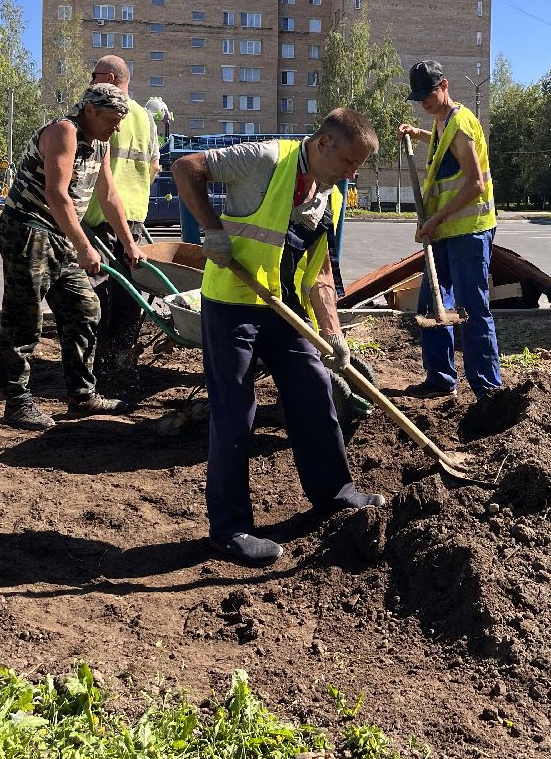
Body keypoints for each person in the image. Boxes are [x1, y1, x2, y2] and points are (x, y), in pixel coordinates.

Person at [173, 109, 386, 567]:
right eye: (349, 162)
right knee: (235, 413)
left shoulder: (331, 196)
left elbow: (321, 271)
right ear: (324, 143)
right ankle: (228, 529)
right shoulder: (266, 158)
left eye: (358, 168)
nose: (352, 174)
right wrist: (212, 229)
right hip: (233, 303)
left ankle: (334, 489)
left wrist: (333, 335)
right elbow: (186, 167)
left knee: (314, 391)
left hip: (285, 310)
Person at [0, 83, 142, 431]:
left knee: (85, 308)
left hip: (58, 234)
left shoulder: (100, 144)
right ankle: (16, 402)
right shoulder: (65, 131)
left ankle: (82, 394)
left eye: (121, 120)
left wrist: (128, 243)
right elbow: (56, 194)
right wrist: (84, 246)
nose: (117, 127)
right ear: (90, 110)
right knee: (24, 318)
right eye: (112, 118)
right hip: (28, 230)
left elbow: (109, 196)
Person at [397, 60, 503, 401]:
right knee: (431, 305)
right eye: (419, 97)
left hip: (468, 231)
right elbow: (446, 150)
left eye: (428, 94)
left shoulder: (461, 123)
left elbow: (473, 185)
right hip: (443, 232)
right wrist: (419, 134)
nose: (423, 102)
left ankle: (488, 389)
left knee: (473, 309)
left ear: (444, 86)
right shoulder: (443, 123)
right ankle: (441, 379)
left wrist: (434, 219)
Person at [81, 56, 158, 388]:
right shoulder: (145, 117)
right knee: (130, 294)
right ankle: (122, 357)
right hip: (135, 217)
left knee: (99, 293)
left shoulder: (104, 111)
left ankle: (98, 362)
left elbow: (100, 170)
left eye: (94, 76)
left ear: (109, 78)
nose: (91, 82)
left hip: (102, 217)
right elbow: (154, 166)